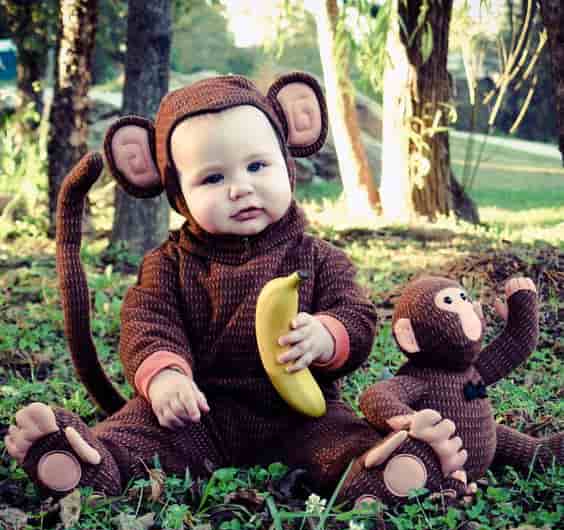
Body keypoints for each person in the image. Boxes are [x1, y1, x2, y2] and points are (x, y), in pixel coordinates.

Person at [5, 72, 467, 504]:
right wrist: (165, 376)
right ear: (177, 192)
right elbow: (147, 324)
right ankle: (81, 460)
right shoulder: (167, 266)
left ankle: (392, 469)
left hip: (301, 413)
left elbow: (357, 315)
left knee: (345, 441)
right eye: (212, 177)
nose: (240, 189)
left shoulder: (318, 258)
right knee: (136, 434)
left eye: (257, 166)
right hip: (199, 412)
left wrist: (326, 335)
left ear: (287, 165)